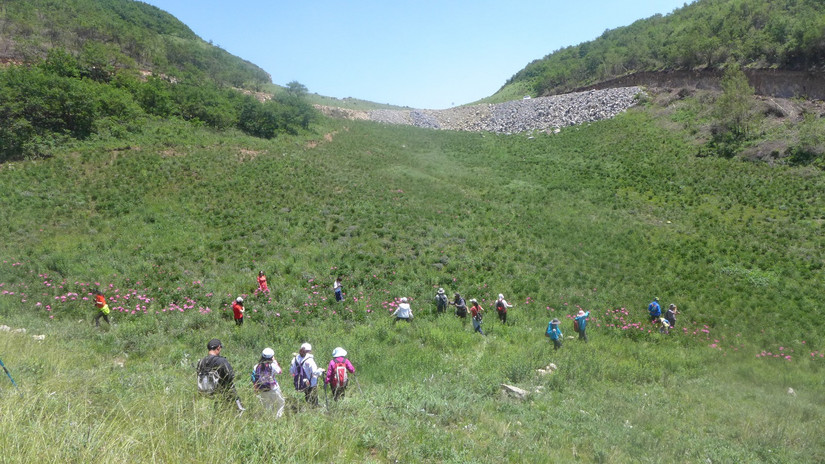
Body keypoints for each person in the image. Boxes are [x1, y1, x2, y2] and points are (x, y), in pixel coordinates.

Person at [197, 339, 245, 412]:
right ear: (218, 348)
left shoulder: (201, 361)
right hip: (223, 392)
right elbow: (231, 375)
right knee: (239, 411)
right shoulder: (221, 361)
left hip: (206, 394)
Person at [251, 347, 285, 418]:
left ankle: (269, 419)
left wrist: (256, 389)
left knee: (267, 406)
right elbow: (280, 372)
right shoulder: (272, 365)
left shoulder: (256, 366)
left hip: (262, 389)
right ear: (272, 357)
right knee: (281, 402)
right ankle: (278, 418)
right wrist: (275, 362)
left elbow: (254, 378)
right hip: (273, 388)